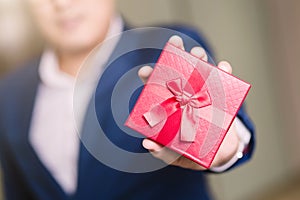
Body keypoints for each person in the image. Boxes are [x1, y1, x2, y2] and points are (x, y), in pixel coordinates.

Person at [0, 0, 255, 199]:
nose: (62, 4)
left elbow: (228, 128)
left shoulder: (165, 48)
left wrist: (226, 147)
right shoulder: (9, 93)